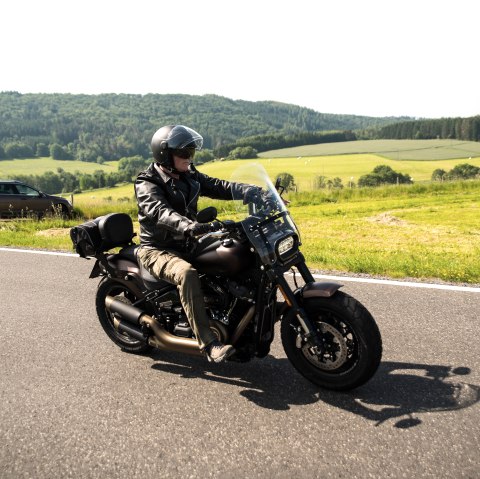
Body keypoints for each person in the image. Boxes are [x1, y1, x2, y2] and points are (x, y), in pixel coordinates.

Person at [135, 125, 257, 363]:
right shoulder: (146, 183)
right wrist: (187, 226)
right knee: (186, 273)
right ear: (165, 154)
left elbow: (219, 186)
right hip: (158, 249)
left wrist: (254, 192)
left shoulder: (188, 174)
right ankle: (209, 343)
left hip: (189, 242)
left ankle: (240, 324)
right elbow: (160, 211)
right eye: (184, 153)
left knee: (237, 248)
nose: (189, 158)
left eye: (191, 152)